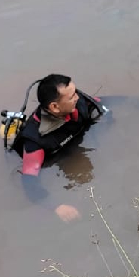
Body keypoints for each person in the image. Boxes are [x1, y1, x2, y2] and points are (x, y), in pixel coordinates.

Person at [11, 74, 105, 221]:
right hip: (53, 156)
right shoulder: (35, 142)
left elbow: (102, 104)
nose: (77, 98)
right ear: (54, 107)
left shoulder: (77, 103)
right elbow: (29, 182)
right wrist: (56, 206)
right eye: (71, 96)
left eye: (75, 92)